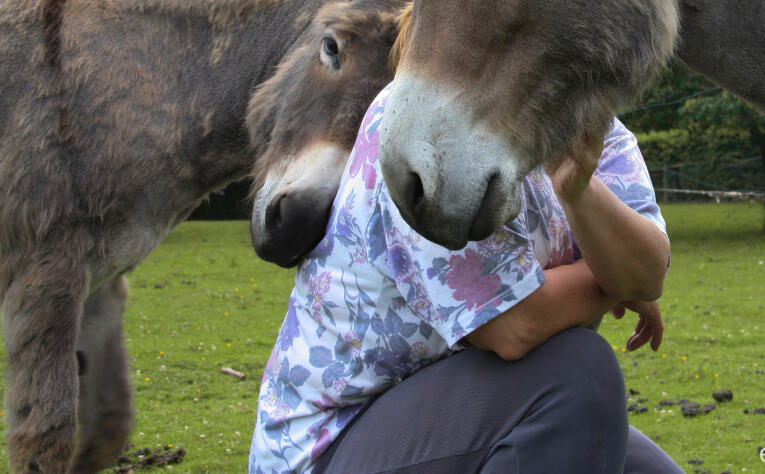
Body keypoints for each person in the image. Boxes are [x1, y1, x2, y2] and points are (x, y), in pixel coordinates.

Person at [250, 82, 683, 474]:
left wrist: (580, 192)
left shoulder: (592, 125)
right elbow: (515, 325)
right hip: (333, 441)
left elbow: (647, 271)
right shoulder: (416, 127)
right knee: (579, 372)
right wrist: (612, 278)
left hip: (470, 411)